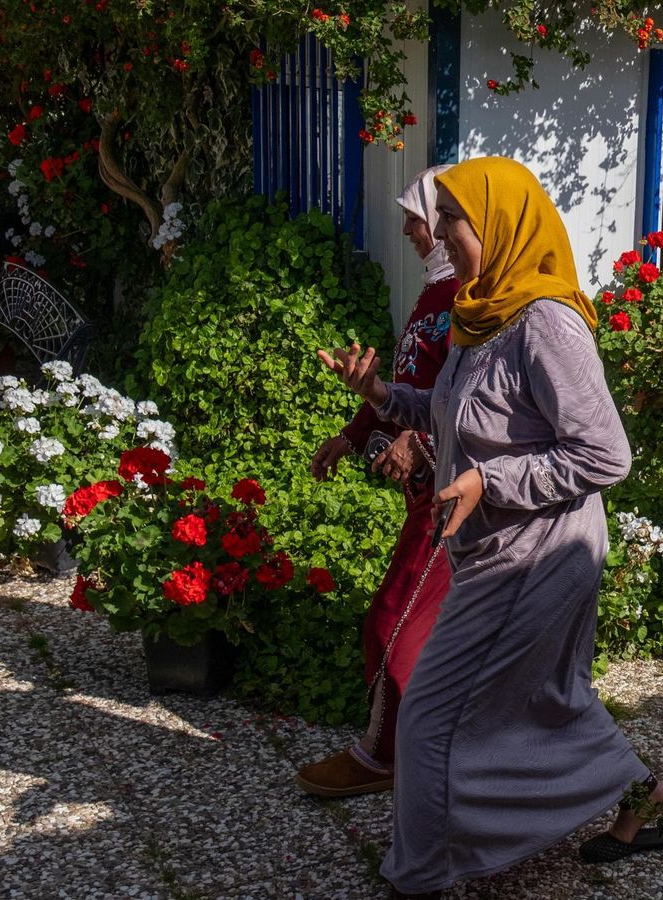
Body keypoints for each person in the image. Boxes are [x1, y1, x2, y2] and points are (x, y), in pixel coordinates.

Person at [317, 157, 663, 899]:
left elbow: (606, 453)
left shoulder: (545, 321)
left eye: (454, 220)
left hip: (542, 552)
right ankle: (648, 800)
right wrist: (382, 395)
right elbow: (458, 414)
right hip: (496, 547)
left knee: (432, 717)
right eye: (440, 218)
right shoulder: (485, 311)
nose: (441, 232)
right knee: (549, 698)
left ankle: (421, 874)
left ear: (503, 224)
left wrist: (492, 480)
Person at [296, 165, 459, 799]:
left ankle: (393, 756)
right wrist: (357, 430)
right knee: (410, 623)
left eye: (427, 218)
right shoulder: (433, 296)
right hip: (431, 491)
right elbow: (413, 387)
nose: (415, 229)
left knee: (396, 624)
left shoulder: (472, 304)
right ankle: (414, 751)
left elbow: (466, 401)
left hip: (457, 494)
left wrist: (419, 441)